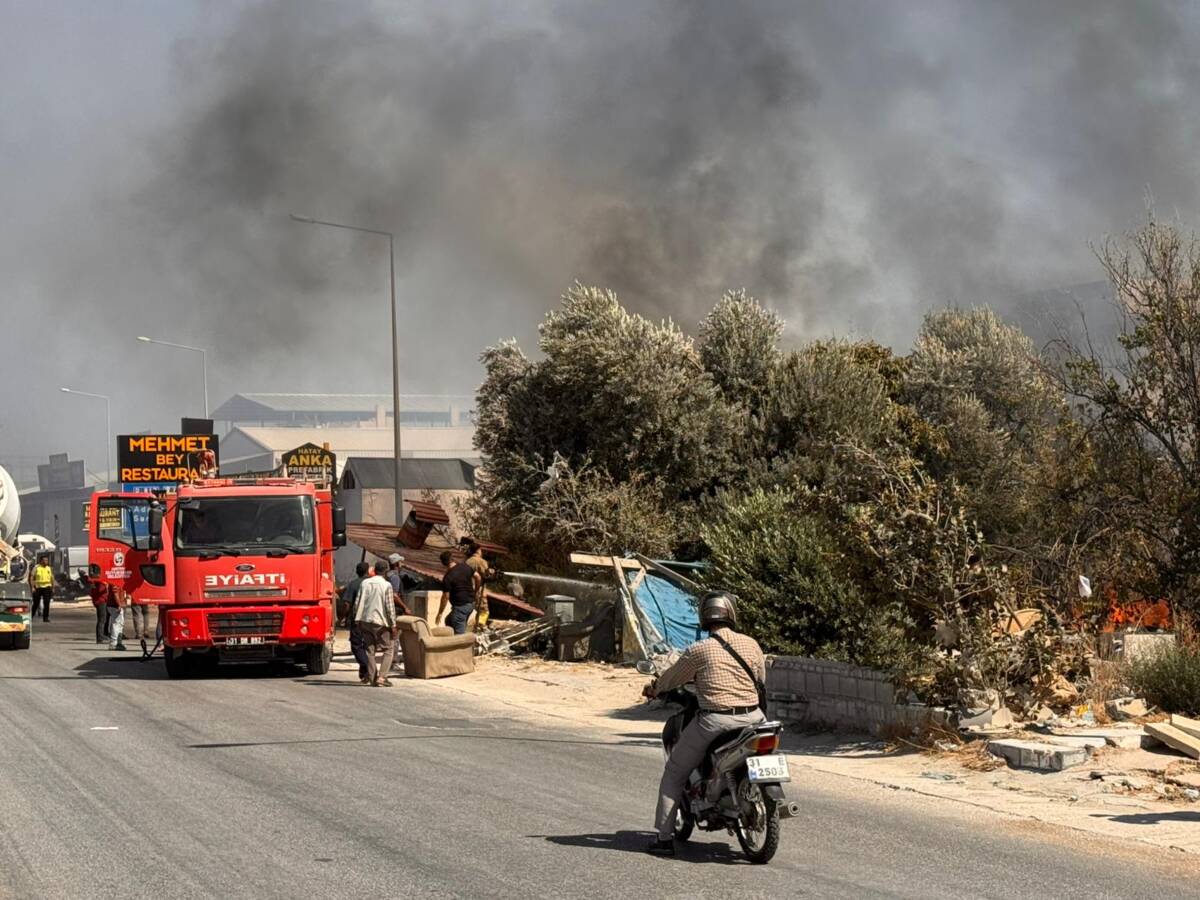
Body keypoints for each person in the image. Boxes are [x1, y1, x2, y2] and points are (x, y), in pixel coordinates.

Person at [643, 592, 766, 857]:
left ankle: (664, 839)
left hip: (716, 720)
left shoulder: (699, 650)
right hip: (755, 718)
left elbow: (671, 679)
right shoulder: (751, 644)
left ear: (704, 617)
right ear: (731, 613)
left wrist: (654, 688)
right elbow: (760, 679)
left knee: (675, 771)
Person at [354, 561, 397, 686]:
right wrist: (393, 625)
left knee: (370, 650)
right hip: (380, 622)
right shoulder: (386, 585)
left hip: (365, 620)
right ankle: (382, 677)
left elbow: (357, 603)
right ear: (385, 571)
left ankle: (373, 677)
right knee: (389, 649)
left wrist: (357, 620)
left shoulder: (365, 583)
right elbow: (390, 607)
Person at [437, 550, 480, 636]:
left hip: (460, 607)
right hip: (471, 604)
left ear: (443, 563)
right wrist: (476, 591)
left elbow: (445, 597)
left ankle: (462, 647)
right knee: (448, 621)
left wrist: (440, 613)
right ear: (452, 559)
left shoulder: (448, 577)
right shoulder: (465, 567)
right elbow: (477, 576)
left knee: (459, 636)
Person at [342, 562, 371, 683]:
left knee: (356, 645)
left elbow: (347, 604)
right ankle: (365, 671)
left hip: (358, 619)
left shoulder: (353, 584)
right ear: (368, 571)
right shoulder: (373, 583)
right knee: (368, 646)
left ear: (356, 572)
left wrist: (343, 617)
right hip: (372, 619)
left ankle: (367, 667)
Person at [463, 541, 490, 630]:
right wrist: (492, 572)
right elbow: (486, 575)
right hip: (478, 590)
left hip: (466, 590)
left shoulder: (467, 561)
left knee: (468, 609)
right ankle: (480, 627)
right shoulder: (481, 561)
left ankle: (464, 628)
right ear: (478, 550)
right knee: (484, 611)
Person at [29, 553, 54, 623]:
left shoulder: (49, 568)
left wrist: (53, 587)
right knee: (36, 603)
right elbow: (32, 577)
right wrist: (32, 587)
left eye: (47, 560)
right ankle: (30, 617)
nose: (46, 562)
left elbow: (52, 577)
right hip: (38, 588)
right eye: (44, 560)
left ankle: (45, 618)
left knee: (47, 603)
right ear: (40, 561)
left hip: (47, 587)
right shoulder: (36, 567)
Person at [106, 585, 128, 652]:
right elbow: (115, 593)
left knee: (119, 624)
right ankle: (114, 643)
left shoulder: (117, 581)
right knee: (116, 624)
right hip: (115, 605)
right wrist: (119, 604)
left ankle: (118, 642)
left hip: (115, 605)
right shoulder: (115, 582)